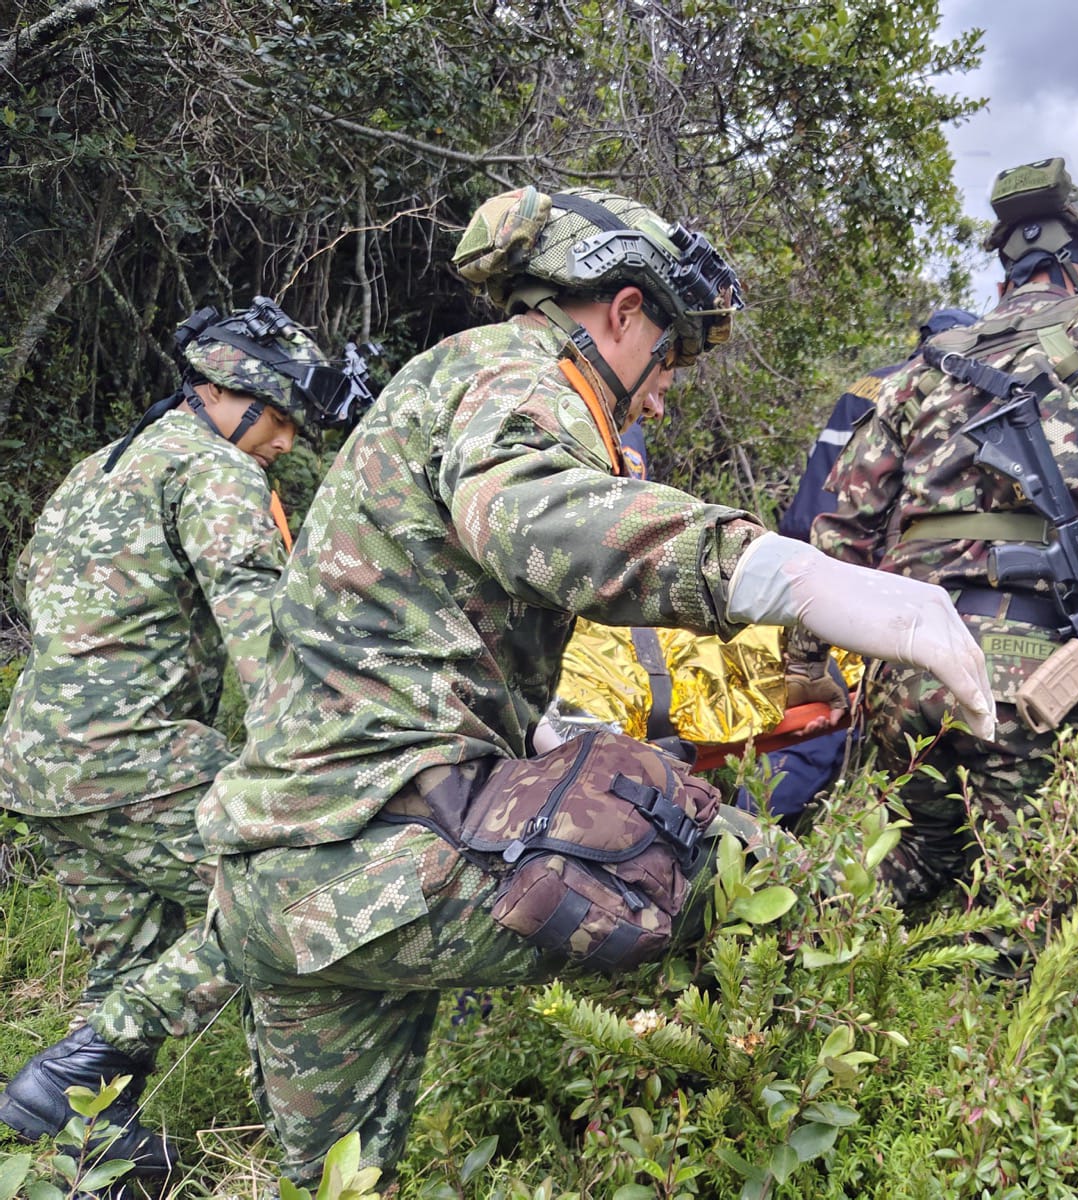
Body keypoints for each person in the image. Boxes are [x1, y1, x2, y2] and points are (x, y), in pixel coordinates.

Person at [41, 184, 993, 1189]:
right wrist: (792, 575)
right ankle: (856, 1134)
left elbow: (421, 633)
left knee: (337, 1181)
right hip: (377, 869)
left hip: (280, 872)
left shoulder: (443, 380)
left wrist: (536, 728)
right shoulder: (516, 376)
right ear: (623, 311)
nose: (663, 392)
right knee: (745, 871)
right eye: (667, 358)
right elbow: (537, 515)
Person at [0, 298, 365, 1174]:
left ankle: (93, 1166)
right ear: (237, 397)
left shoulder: (101, 466)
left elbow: (34, 592)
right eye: (282, 421)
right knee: (292, 901)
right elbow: (265, 645)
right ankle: (310, 1159)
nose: (287, 444)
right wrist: (324, 766)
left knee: (132, 965)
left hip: (38, 762)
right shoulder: (217, 472)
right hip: (136, 755)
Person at [800, 156, 1078, 924]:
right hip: (1034, 669)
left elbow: (843, 517)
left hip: (905, 667)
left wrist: (806, 661)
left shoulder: (921, 371)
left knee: (917, 856)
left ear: (1005, 281)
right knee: (1036, 899)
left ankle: (807, 991)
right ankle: (1008, 1037)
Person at [766, 307, 978, 824]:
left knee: (812, 723)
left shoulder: (866, 389)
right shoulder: (971, 392)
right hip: (907, 593)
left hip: (827, 574)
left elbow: (810, 506)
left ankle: (761, 833)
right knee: (865, 740)